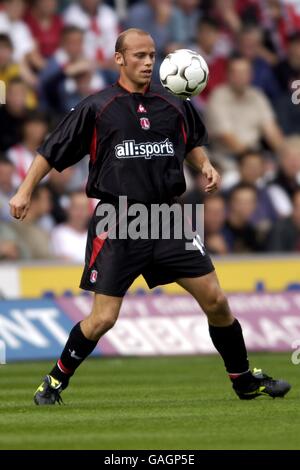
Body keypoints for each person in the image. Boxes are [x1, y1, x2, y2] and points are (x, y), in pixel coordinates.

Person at [9, 28, 290, 405]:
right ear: (119, 59)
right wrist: (25, 189)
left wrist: (205, 165)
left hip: (166, 217)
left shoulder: (173, 102)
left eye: (152, 56)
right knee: (103, 319)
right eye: (139, 56)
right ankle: (54, 381)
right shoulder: (98, 106)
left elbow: (191, 142)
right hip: (118, 220)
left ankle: (244, 380)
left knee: (216, 300)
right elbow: (50, 151)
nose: (147, 62)